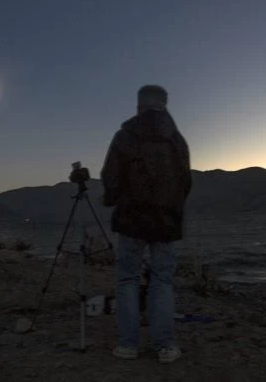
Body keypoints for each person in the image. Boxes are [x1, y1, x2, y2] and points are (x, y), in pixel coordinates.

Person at [101, 85, 191, 364]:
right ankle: (164, 346)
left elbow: (111, 178)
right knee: (162, 281)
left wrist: (112, 199)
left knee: (127, 280)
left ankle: (128, 345)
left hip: (130, 220)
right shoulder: (177, 140)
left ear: (138, 105)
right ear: (165, 105)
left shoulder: (124, 137)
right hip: (165, 221)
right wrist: (172, 208)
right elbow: (185, 182)